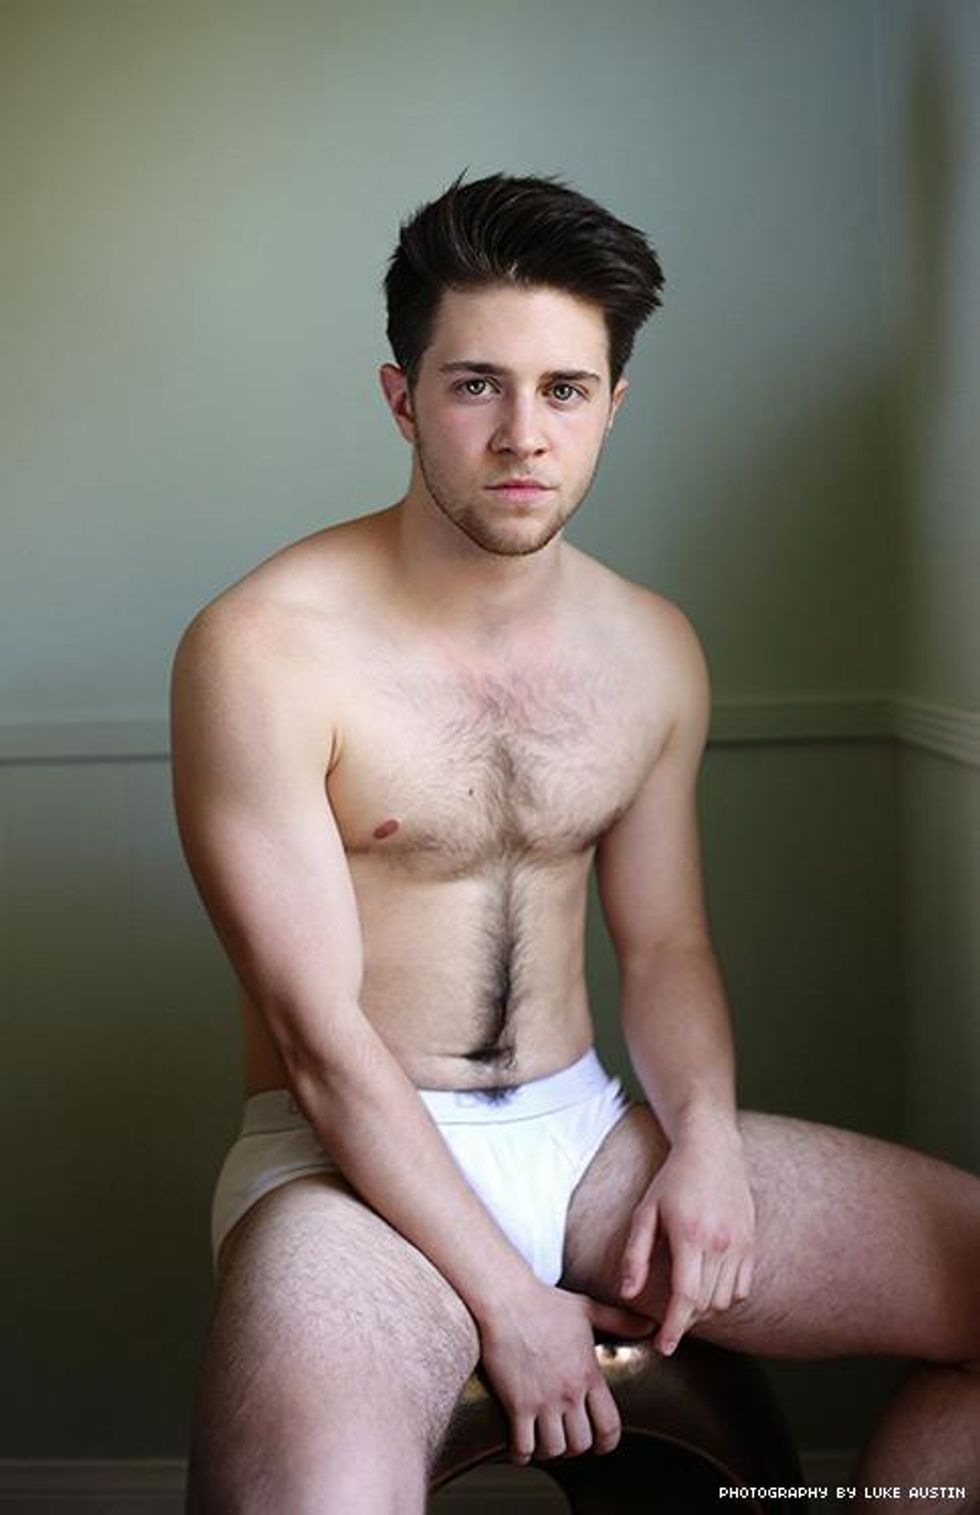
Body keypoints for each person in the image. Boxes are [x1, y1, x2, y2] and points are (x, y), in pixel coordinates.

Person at [172, 173, 980, 1515]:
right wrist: (506, 1298)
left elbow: (665, 948)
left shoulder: (651, 649)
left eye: (564, 389)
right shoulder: (262, 649)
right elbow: (314, 1035)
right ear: (402, 399)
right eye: (475, 386)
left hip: (587, 1133)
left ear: (614, 404)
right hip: (341, 1165)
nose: (522, 435)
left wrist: (706, 1139)